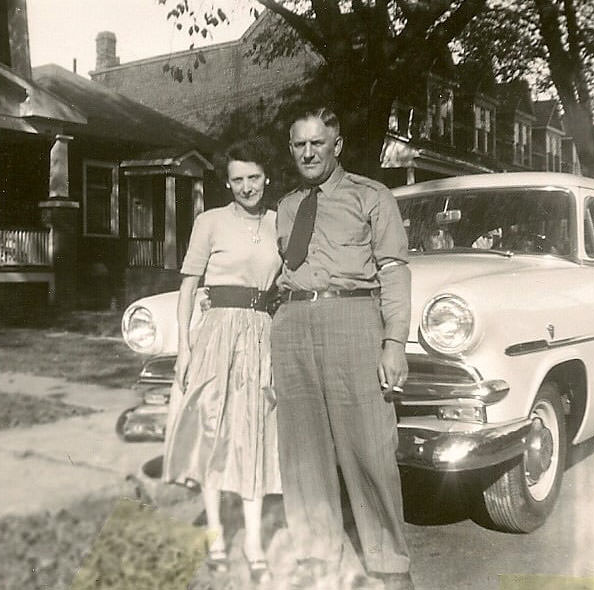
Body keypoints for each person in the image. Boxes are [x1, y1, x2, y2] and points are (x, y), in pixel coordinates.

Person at [270, 106, 414, 590]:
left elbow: (394, 270)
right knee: (302, 451)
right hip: (293, 322)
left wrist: (394, 340)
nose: (308, 152)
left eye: (317, 143)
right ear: (291, 149)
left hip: (353, 318)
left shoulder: (371, 197)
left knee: (370, 446)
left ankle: (388, 564)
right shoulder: (288, 206)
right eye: (299, 145)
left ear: (337, 145)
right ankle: (316, 558)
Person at [162, 138, 282, 585]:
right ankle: (214, 534)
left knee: (253, 433)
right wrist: (184, 348)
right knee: (212, 432)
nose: (246, 187)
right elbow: (189, 286)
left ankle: (252, 542)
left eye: (253, 177)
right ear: (227, 183)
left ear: (265, 177)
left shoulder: (278, 223)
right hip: (215, 334)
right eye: (237, 180)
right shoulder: (209, 222)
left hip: (260, 333)